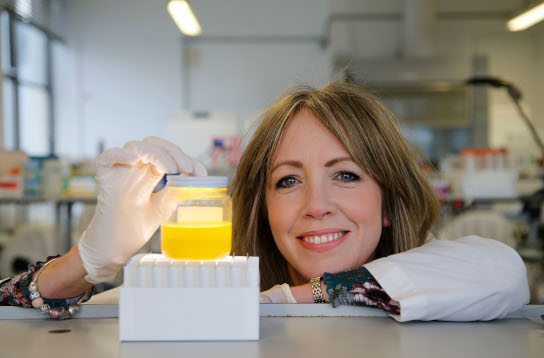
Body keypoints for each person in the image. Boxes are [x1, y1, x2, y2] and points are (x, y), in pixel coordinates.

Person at [0, 82, 529, 322]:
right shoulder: (219, 290)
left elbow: (504, 273)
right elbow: (14, 316)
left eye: (345, 175)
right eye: (287, 181)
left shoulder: (435, 280)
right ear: (260, 205)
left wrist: (282, 301)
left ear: (388, 201)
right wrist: (87, 263)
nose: (316, 205)